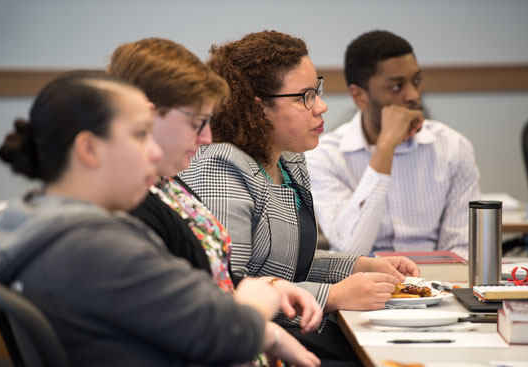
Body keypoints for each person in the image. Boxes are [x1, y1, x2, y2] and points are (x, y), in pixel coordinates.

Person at [0, 72, 318, 367]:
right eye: (140, 135)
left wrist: (266, 330)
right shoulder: (94, 246)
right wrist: (258, 302)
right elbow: (226, 331)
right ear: (89, 149)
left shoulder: (33, 220)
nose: (153, 152)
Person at [180, 30, 419, 364]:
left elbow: (290, 263)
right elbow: (231, 288)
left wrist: (357, 265)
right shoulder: (221, 167)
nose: (320, 106)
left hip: (299, 330)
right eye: (304, 96)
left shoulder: (287, 158)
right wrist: (332, 295)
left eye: (317, 90)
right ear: (258, 108)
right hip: (260, 346)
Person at [106, 37, 322, 366]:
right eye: (196, 123)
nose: (207, 137)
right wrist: (261, 317)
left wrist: (269, 291)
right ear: (147, 117)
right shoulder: (128, 206)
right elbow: (179, 320)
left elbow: (210, 276)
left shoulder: (165, 185)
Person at [305, 30, 480, 258]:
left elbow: (461, 250)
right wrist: (385, 147)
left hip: (437, 285)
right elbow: (351, 249)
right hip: (364, 285)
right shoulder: (324, 155)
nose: (413, 95)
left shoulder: (453, 147)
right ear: (360, 97)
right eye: (396, 87)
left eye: (416, 82)